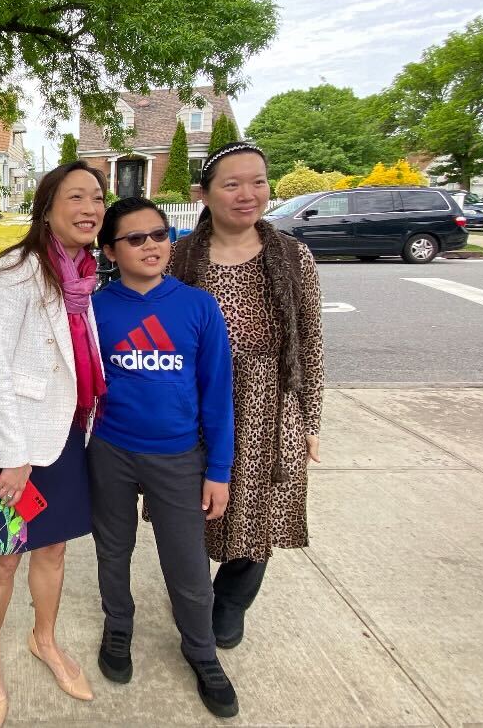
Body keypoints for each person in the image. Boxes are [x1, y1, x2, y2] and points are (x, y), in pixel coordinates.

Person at [0, 160, 107, 728]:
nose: (90, 208)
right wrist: (12, 456)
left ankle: (43, 639)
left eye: (97, 197)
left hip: (65, 434)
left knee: (54, 549)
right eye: (76, 197)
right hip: (13, 444)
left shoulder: (84, 272)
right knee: (3, 558)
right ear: (47, 208)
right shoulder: (14, 272)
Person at [165, 141, 324, 650]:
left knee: (260, 507)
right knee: (192, 506)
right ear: (205, 194)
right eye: (231, 184)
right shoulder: (178, 257)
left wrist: (311, 419)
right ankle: (193, 590)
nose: (247, 194)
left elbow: (311, 340)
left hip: (269, 404)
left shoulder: (294, 256)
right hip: (196, 401)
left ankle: (231, 601)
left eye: (257, 181)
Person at [89, 197, 239, 718]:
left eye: (159, 234)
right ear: (110, 251)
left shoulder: (198, 306)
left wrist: (218, 470)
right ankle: (118, 626)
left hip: (178, 457)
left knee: (187, 564)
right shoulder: (96, 308)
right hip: (110, 450)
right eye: (135, 238)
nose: (151, 245)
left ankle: (200, 649)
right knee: (113, 550)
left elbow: (217, 394)